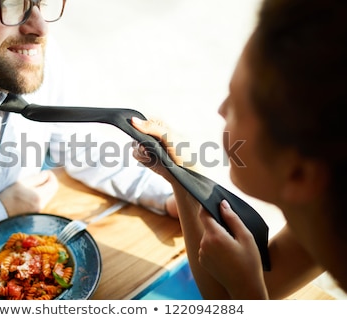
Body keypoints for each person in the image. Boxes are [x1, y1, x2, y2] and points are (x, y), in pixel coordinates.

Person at [0, 0, 178, 278]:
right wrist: (1, 210)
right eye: (9, 6)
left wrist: (167, 197)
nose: (41, 28)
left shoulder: (33, 57)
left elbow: (77, 146)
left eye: (41, 2)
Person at [132, 0, 347, 299]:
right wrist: (181, 174)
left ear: (298, 173)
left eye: (235, 103)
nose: (220, 110)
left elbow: (245, 292)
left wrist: (248, 291)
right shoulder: (322, 213)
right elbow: (221, 293)